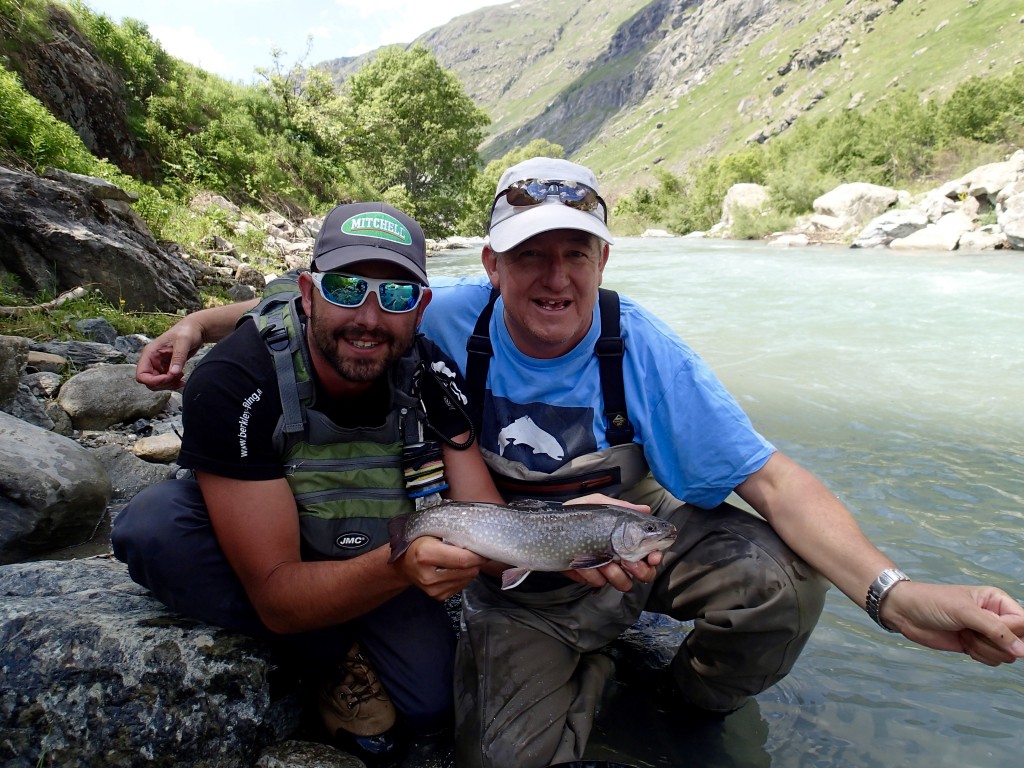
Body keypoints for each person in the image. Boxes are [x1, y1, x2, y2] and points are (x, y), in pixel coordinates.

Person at [134, 159, 1024, 768]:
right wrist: (201, 326)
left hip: (632, 539)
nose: (552, 277)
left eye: (573, 253)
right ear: (490, 265)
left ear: (602, 259)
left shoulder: (644, 349)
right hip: (519, 570)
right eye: (529, 255)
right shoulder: (438, 317)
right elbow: (320, 305)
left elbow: (776, 481)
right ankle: (584, 660)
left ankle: (689, 701)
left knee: (778, 577)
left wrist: (897, 598)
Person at [112, 201, 504, 766]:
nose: (369, 318)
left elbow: (490, 529)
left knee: (432, 706)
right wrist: (399, 568)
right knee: (156, 527)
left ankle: (345, 627)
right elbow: (275, 596)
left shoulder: (432, 376)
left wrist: (588, 538)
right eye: (346, 289)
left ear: (419, 310)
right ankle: (330, 654)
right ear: (309, 292)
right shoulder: (236, 379)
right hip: (279, 550)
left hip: (373, 545)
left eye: (394, 297)